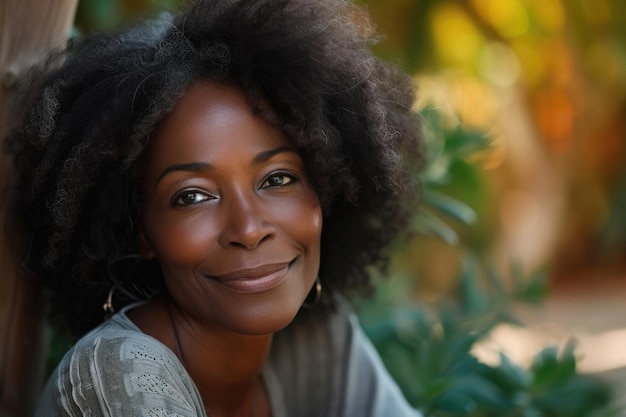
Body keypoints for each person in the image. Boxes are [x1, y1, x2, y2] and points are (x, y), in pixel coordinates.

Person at [5, 0, 423, 415]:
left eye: (278, 179)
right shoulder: (115, 381)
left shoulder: (319, 342)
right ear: (141, 230)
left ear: (327, 186)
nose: (248, 228)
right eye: (192, 196)